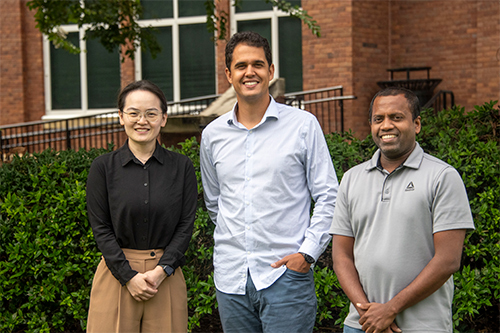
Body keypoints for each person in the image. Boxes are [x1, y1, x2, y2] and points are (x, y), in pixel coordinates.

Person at [200, 31, 339, 333]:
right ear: (228, 74)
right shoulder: (212, 135)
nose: (250, 72)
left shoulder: (303, 125)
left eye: (258, 64)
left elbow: (329, 196)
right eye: (241, 66)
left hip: (285, 279)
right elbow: (215, 202)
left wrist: (307, 254)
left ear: (271, 71)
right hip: (231, 280)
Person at [330, 87, 475, 333]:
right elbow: (341, 257)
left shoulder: (442, 177)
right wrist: (369, 314)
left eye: (396, 117)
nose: (386, 125)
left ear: (416, 124)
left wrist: (390, 310)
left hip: (422, 326)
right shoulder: (351, 179)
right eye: (379, 119)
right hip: (360, 325)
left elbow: (448, 261)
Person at [86, 80, 197, 332]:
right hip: (116, 274)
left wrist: (162, 270)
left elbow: (185, 225)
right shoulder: (103, 168)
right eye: (133, 113)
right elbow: (100, 228)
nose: (142, 121)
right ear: (121, 117)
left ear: (164, 118)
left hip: (165, 277)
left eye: (151, 113)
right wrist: (128, 276)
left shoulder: (182, 167)